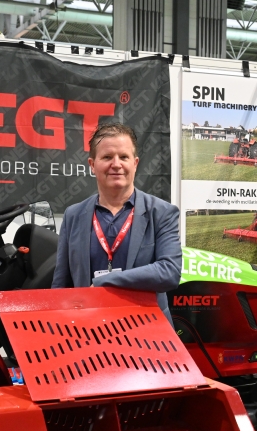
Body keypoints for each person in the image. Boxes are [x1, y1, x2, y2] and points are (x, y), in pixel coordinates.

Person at [52, 123, 182, 321]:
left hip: (147, 329)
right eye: (107, 157)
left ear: (135, 163)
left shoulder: (162, 213)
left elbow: (169, 272)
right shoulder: (73, 215)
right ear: (92, 165)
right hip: (90, 328)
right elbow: (61, 284)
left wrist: (107, 281)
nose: (116, 164)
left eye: (123, 157)